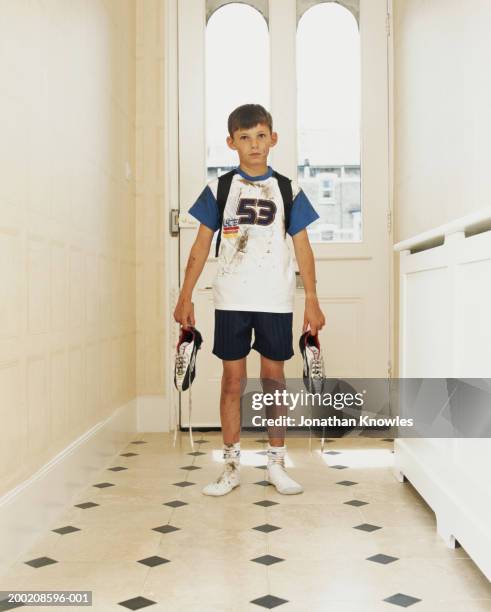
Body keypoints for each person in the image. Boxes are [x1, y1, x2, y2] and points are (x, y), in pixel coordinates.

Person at [173, 104, 325, 496]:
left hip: (276, 299)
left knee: (274, 381)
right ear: (231, 143)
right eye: (245, 137)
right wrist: (185, 295)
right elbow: (200, 245)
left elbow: (303, 249)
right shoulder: (220, 189)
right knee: (232, 381)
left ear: (273, 139)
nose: (254, 144)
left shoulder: (289, 190)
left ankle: (276, 463)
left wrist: (312, 300)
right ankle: (230, 466)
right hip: (231, 299)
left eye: (261, 136)